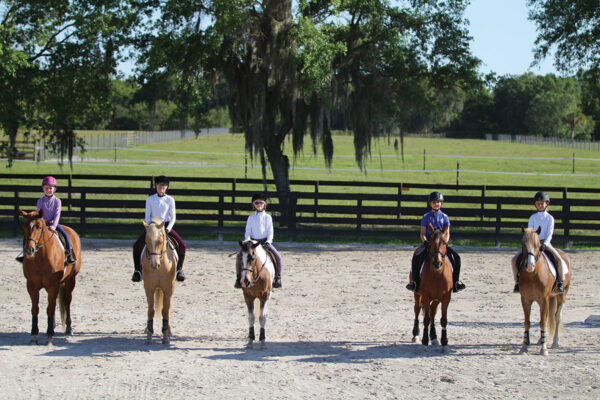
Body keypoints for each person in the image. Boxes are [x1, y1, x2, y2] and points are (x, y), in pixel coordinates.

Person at [406, 191, 465, 293]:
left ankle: (456, 283)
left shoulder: (445, 217)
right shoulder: (426, 217)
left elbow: (448, 233)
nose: (436, 204)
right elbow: (423, 233)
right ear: (430, 203)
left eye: (438, 202)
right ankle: (415, 282)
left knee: (457, 258)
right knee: (416, 256)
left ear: (441, 203)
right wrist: (425, 242)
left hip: (441, 245)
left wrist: (445, 242)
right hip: (429, 244)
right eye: (434, 202)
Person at [131, 175, 186, 282]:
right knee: (136, 245)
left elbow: (173, 217)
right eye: (160, 185)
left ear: (167, 187)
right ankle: (137, 271)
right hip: (152, 227)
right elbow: (147, 217)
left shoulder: (170, 200)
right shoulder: (150, 199)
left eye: (165, 185)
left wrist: (168, 229)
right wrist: (151, 228)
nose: (162, 187)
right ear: (156, 185)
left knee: (183, 245)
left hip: (165, 227)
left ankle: (179, 270)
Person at [511, 191, 565, 293]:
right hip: (533, 244)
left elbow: (550, 233)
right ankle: (517, 283)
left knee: (559, 260)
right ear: (535, 204)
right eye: (538, 203)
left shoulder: (550, 218)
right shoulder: (533, 217)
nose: (540, 205)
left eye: (542, 203)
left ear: (546, 204)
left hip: (545, 243)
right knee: (514, 260)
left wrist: (544, 244)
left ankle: (560, 283)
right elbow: (529, 232)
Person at [16, 176, 77, 265]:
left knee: (64, 234)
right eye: (46, 188)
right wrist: (40, 223)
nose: (48, 190)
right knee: (28, 236)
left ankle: (69, 254)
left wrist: (54, 226)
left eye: (50, 188)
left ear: (54, 189)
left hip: (53, 224)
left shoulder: (57, 201)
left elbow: (57, 214)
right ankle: (25, 254)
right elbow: (38, 214)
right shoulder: (40, 201)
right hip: (42, 224)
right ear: (43, 189)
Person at [234, 193, 282, 289]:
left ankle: (278, 277)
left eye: (261, 202)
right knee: (239, 256)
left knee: (278, 257)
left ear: (264, 204)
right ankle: (238, 278)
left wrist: (268, 241)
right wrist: (247, 242)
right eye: (256, 203)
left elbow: (270, 232)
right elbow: (247, 232)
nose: (259, 204)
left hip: (264, 242)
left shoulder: (268, 217)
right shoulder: (251, 218)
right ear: (253, 205)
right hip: (252, 243)